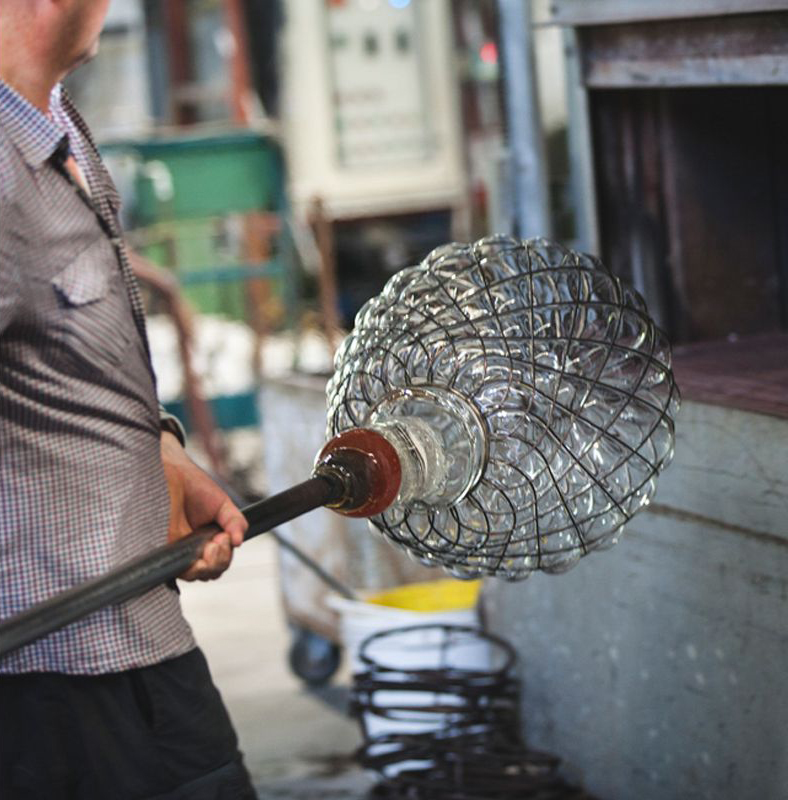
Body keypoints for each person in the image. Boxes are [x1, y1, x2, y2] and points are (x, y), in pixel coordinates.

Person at [0, 1, 258, 796]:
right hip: (56, 686)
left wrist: (163, 456)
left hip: (136, 641)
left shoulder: (55, 129)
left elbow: (66, 362)